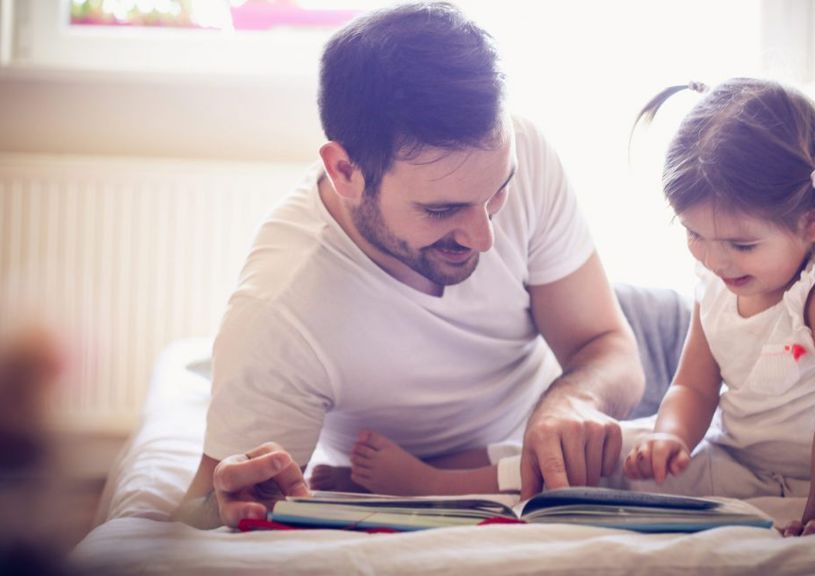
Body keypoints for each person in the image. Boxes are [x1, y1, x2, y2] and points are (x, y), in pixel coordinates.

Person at [174, 1, 645, 529]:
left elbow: (612, 348)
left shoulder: (526, 151)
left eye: (498, 192)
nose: (484, 237)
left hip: (579, 376)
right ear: (345, 171)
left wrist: (571, 403)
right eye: (441, 210)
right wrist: (225, 504)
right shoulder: (282, 309)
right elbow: (198, 516)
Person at [621, 77, 815, 538]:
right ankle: (499, 474)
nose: (714, 259)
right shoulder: (715, 279)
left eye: (742, 244)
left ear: (813, 222)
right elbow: (693, 385)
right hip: (736, 462)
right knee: (607, 453)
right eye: (695, 235)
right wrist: (670, 437)